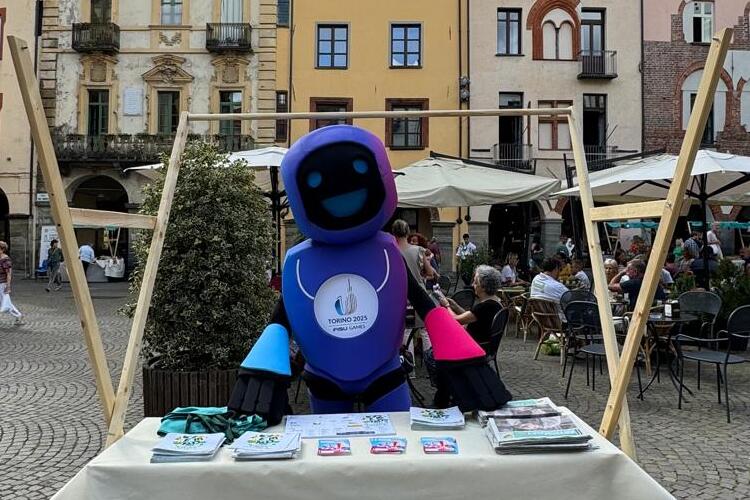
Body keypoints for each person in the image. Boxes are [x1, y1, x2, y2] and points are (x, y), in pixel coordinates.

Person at [438, 265, 503, 347]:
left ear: (483, 287)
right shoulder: (496, 302)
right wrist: (455, 306)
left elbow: (456, 320)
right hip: (484, 345)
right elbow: (471, 315)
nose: (472, 285)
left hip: (473, 346)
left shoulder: (485, 306)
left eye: (475, 282)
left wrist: (447, 306)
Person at [0, 241, 24, 324]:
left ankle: (18, 315)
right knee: (4, 302)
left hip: (2, 283)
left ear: (2, 249)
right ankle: (18, 315)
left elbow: (9, 273)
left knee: (6, 302)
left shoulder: (5, 259)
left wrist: (8, 285)